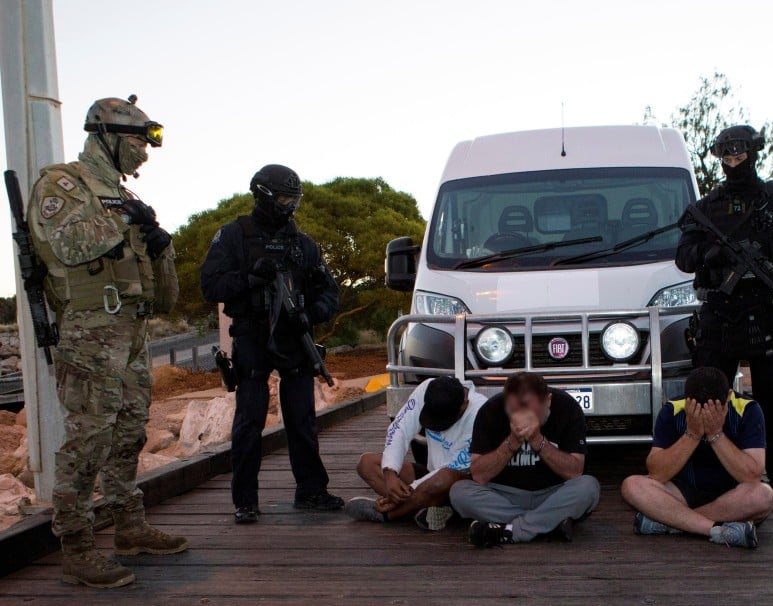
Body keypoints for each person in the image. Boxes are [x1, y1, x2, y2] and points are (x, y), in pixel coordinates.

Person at [25, 95, 187, 588]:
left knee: (129, 429)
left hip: (131, 329)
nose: (144, 151)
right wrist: (126, 220)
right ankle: (76, 545)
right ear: (108, 137)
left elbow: (158, 287)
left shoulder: (123, 195)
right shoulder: (63, 183)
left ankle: (128, 526)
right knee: (88, 437)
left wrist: (161, 246)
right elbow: (68, 243)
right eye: (138, 140)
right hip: (89, 331)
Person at [675, 124, 773, 506]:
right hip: (719, 311)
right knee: (707, 397)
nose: (734, 163)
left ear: (754, 154)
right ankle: (706, 472)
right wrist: (711, 255)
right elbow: (683, 257)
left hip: (764, 312)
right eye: (727, 157)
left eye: (740, 155)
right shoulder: (705, 210)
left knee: (772, 398)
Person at [200, 164, 343, 524]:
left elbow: (329, 291)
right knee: (249, 419)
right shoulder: (233, 236)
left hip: (295, 338)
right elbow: (211, 286)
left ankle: (311, 491)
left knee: (302, 418)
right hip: (252, 337)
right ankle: (245, 500)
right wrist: (249, 279)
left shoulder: (303, 243)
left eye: (293, 199)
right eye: (282, 198)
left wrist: (311, 313)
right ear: (263, 196)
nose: (288, 205)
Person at [621, 367, 773, 548]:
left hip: (731, 495)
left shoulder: (748, 409)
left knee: (764, 496)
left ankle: (674, 522)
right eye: (696, 409)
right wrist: (692, 434)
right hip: (683, 490)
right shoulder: (672, 409)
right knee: (632, 485)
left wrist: (716, 434)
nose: (705, 415)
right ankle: (712, 528)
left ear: (729, 396)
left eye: (714, 409)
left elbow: (752, 475)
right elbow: (656, 473)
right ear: (686, 400)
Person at [449, 372, 600, 546]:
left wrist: (538, 440)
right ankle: (548, 523)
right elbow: (479, 475)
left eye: (529, 407)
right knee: (459, 493)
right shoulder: (490, 410)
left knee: (589, 487)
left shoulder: (567, 407)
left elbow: (575, 472)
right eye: (514, 409)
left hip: (553, 493)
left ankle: (512, 530)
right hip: (504, 494)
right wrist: (512, 442)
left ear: (548, 400)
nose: (522, 414)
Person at [347, 376, 487, 530]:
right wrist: (390, 472)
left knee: (443, 478)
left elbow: (454, 466)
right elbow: (400, 428)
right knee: (367, 464)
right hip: (430, 473)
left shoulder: (481, 413)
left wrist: (412, 489)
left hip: (459, 484)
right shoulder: (429, 388)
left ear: (464, 405)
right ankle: (422, 508)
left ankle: (387, 514)